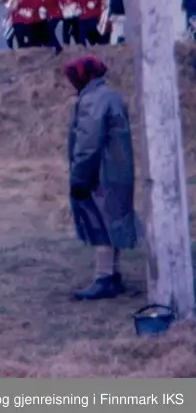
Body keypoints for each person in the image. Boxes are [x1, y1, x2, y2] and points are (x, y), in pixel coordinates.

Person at [64, 56, 138, 301]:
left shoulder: (93, 100)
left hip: (100, 173)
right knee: (113, 220)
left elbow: (87, 144)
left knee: (100, 224)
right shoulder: (110, 95)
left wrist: (79, 178)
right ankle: (113, 275)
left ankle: (104, 277)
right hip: (117, 170)